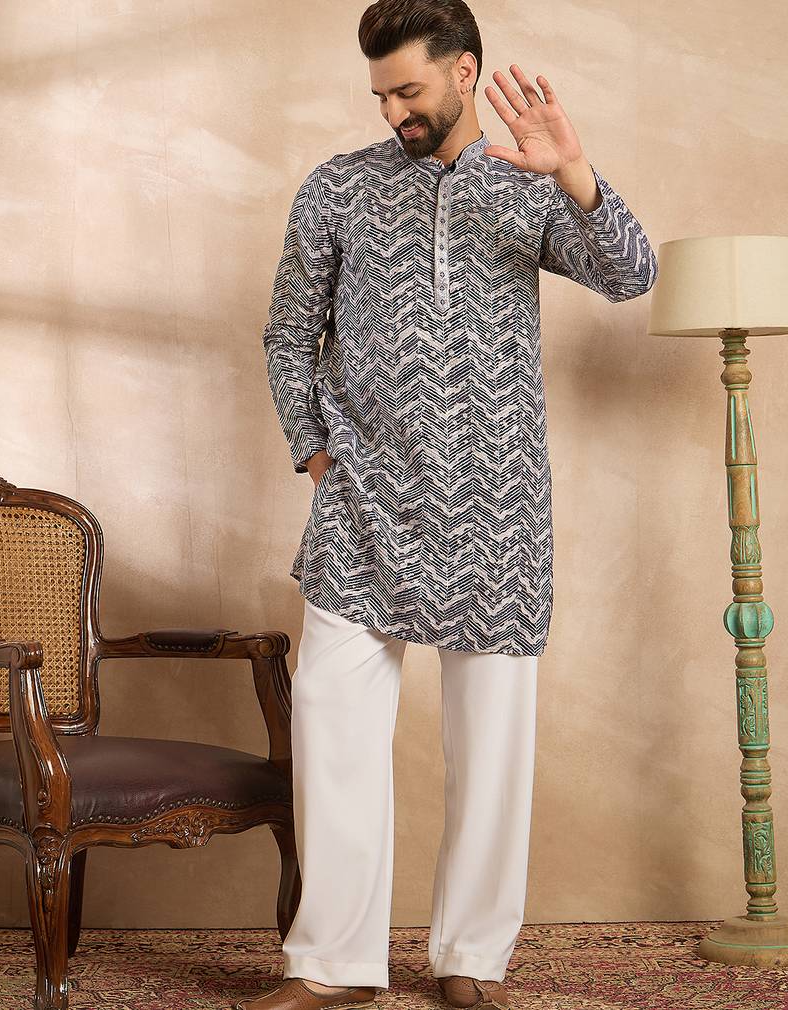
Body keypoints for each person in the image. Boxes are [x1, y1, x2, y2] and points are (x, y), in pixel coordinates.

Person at [238, 1, 656, 1008]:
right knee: (333, 725)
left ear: (464, 71)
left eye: (408, 89)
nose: (393, 111)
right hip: (363, 502)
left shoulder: (528, 184)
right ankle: (332, 963)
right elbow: (288, 334)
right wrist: (313, 452)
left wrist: (573, 173)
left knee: (491, 743)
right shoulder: (338, 187)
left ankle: (470, 956)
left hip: (497, 508)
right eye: (380, 94)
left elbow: (630, 275)